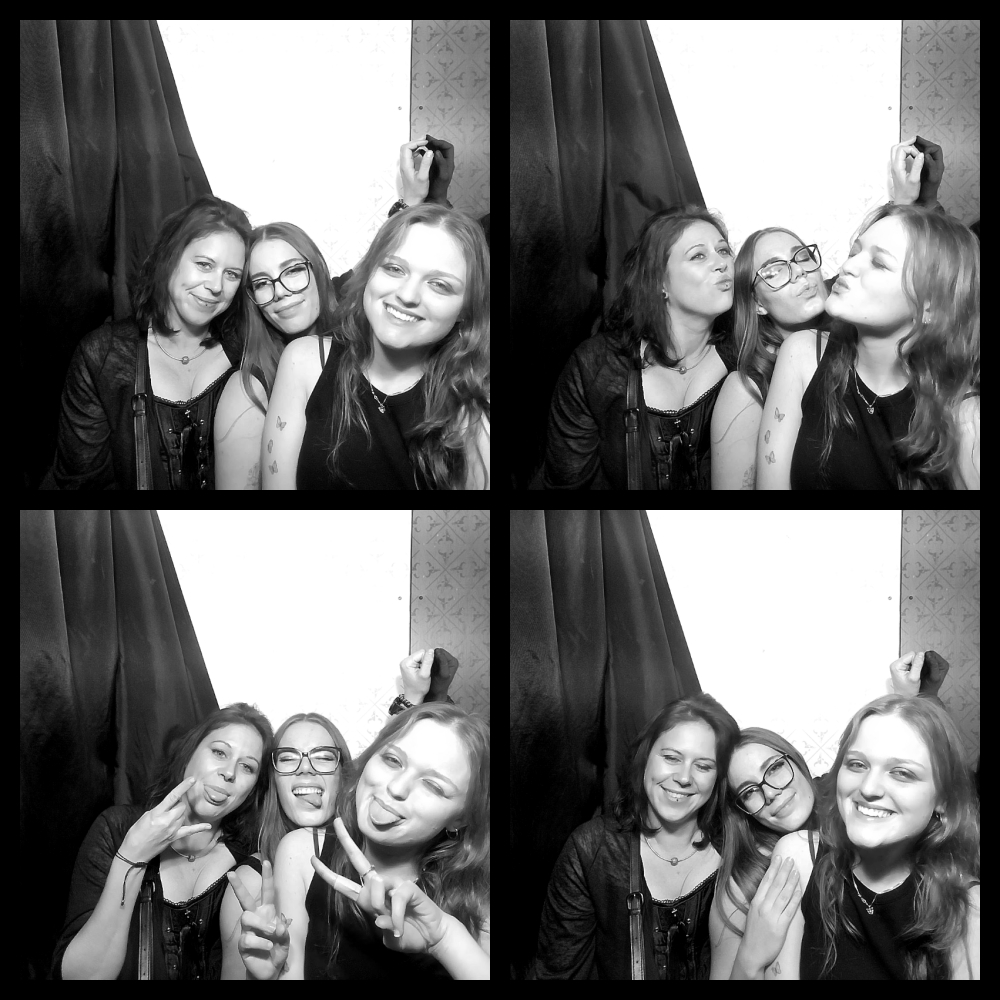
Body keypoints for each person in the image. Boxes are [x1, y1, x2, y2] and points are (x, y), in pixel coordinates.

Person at [711, 138, 942, 489]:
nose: (799, 273)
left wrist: (917, 199)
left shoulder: (857, 327)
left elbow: (900, 278)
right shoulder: (748, 388)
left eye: (802, 256)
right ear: (756, 303)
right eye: (775, 270)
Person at [710, 651, 953, 979]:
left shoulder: (850, 805)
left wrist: (916, 696)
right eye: (749, 791)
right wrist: (751, 953)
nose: (771, 793)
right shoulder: (744, 879)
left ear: (796, 759)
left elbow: (902, 774)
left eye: (775, 768)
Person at [228, 701, 490, 979]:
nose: (396, 787)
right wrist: (265, 976)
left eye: (433, 785)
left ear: (461, 818)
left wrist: (445, 939)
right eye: (392, 760)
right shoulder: (302, 852)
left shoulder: (478, 894)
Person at [262, 202, 490, 490]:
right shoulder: (304, 361)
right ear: (369, 272)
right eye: (394, 268)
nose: (407, 295)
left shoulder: (472, 412)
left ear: (465, 310)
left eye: (439, 285)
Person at [757, 202, 980, 489]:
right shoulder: (802, 353)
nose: (847, 266)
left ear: (930, 306)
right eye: (854, 252)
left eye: (879, 263)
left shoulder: (965, 419)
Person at [52, 703, 273, 979]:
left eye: (247, 767)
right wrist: (132, 858)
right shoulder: (117, 830)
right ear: (190, 752)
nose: (229, 773)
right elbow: (81, 976)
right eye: (219, 752)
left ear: (253, 788)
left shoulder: (249, 865)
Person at [766, 694, 980, 979]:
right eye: (857, 764)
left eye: (902, 773)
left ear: (943, 799)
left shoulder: (969, 909)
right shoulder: (801, 858)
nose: (868, 788)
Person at [49, 195, 252, 490]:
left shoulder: (244, 352)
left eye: (231, 274)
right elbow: (82, 485)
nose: (216, 286)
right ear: (169, 258)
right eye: (204, 264)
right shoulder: (103, 356)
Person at [531, 693, 740, 979]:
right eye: (671, 758)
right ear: (645, 758)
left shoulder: (735, 850)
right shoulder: (591, 849)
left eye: (703, 766)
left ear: (718, 777)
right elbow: (559, 973)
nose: (683, 777)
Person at [537, 207, 737, 489]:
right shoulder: (596, 366)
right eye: (698, 255)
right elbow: (566, 490)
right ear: (659, 282)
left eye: (724, 251)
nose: (722, 264)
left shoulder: (744, 355)